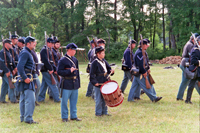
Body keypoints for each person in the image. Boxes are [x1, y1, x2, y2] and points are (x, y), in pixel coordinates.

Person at [57, 43, 81, 122]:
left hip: (74, 83)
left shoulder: (75, 60)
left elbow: (77, 73)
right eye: (74, 50)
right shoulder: (63, 60)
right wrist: (69, 71)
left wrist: (78, 84)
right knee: (64, 101)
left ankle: (73, 116)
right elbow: (59, 72)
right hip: (66, 82)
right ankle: (64, 117)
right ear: (69, 50)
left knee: (74, 101)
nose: (75, 52)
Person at [17, 36, 38, 124]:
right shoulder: (25, 52)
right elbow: (20, 67)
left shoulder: (27, 52)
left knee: (23, 98)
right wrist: (25, 78)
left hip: (27, 77)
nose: (35, 44)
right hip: (27, 77)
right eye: (33, 42)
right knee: (30, 100)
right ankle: (28, 118)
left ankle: (23, 117)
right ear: (28, 43)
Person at [90, 46, 114, 116]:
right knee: (98, 99)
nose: (104, 54)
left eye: (104, 53)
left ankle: (105, 112)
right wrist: (95, 82)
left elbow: (108, 69)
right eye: (102, 53)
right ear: (98, 54)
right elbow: (92, 74)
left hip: (105, 81)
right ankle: (98, 113)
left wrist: (111, 71)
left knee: (105, 98)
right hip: (99, 82)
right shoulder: (94, 62)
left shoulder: (104, 61)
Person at [177, 33, 200, 101]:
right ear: (194, 39)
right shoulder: (191, 45)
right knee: (193, 82)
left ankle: (179, 97)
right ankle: (183, 98)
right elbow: (193, 57)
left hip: (185, 64)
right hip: (186, 64)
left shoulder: (190, 44)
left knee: (186, 81)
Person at [38, 38, 60, 102]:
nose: (53, 45)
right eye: (51, 43)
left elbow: (51, 61)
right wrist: (50, 69)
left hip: (48, 69)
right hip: (46, 69)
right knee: (53, 84)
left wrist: (54, 69)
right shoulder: (44, 50)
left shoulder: (48, 50)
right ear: (48, 43)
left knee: (44, 85)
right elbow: (45, 61)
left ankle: (40, 98)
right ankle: (57, 99)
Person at [0, 39, 18, 103]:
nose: (11, 45)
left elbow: (11, 61)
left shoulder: (8, 51)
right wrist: (7, 71)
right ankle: (13, 100)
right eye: (9, 44)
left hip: (9, 70)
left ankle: (2, 99)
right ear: (5, 44)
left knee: (4, 86)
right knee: (12, 85)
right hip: (6, 71)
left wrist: (14, 68)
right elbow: (1, 63)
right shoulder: (2, 52)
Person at [185, 36, 200, 104]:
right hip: (196, 70)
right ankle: (187, 100)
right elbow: (193, 61)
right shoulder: (195, 49)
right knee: (191, 85)